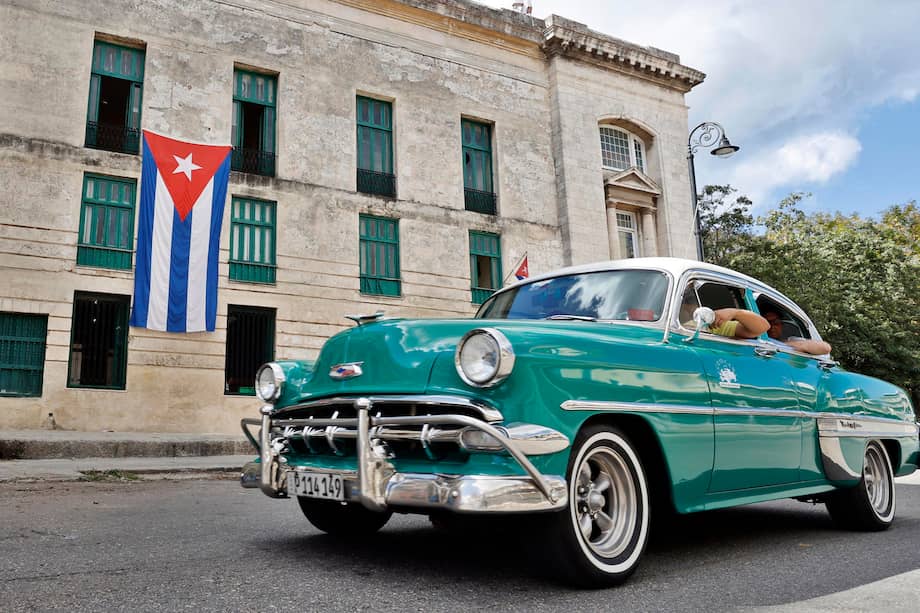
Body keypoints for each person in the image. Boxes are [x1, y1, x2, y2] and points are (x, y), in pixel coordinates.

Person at [762, 310, 832, 355]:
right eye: (767, 323)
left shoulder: (791, 341)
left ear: (781, 325)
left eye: (776, 323)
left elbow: (825, 348)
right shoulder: (755, 339)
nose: (771, 327)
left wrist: (786, 345)